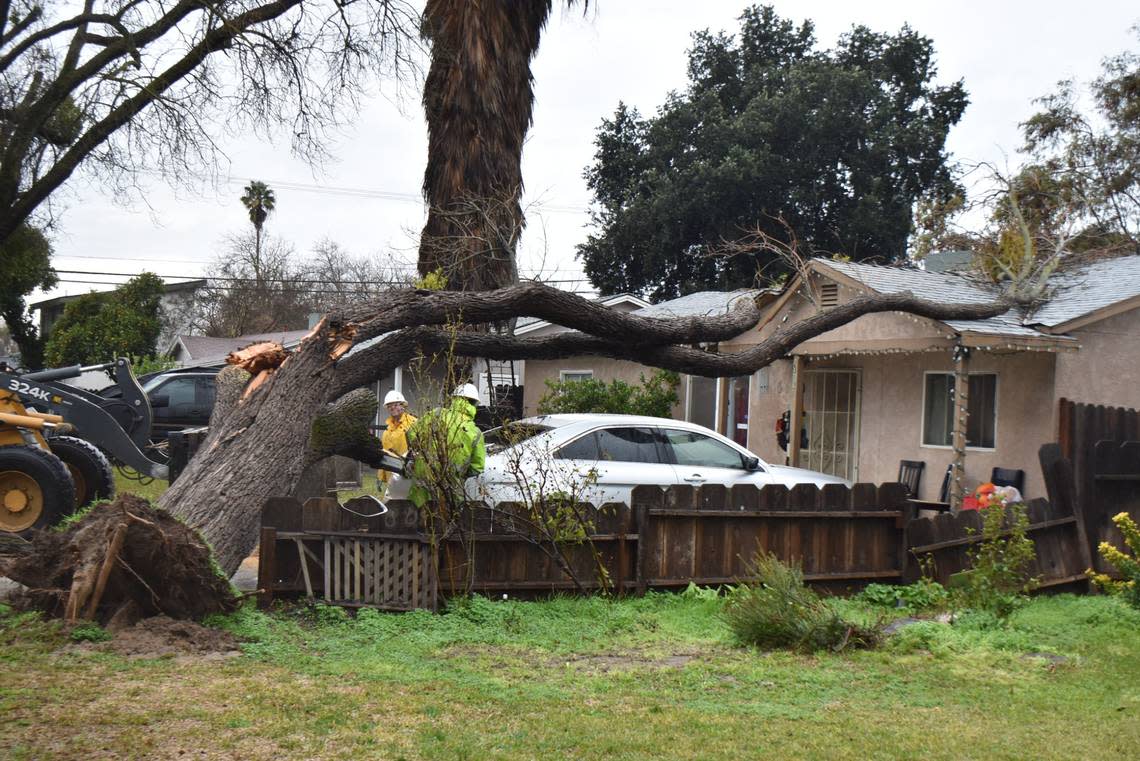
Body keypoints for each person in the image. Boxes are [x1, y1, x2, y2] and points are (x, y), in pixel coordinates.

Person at [405, 383, 486, 508]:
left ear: (454, 399)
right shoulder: (476, 433)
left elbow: (411, 433)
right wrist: (460, 473)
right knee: (447, 520)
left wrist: (417, 454)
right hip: (450, 487)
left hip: (423, 479)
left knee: (419, 520)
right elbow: (477, 468)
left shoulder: (436, 414)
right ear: (474, 404)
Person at [377, 389, 416, 495]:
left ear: (402, 405)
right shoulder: (387, 431)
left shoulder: (413, 424)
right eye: (389, 406)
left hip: (410, 474)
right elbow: (383, 454)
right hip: (392, 477)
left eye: (395, 405)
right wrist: (380, 476)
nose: (392, 408)